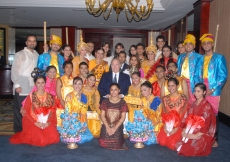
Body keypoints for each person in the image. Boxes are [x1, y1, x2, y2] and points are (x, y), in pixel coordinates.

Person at [10, 75, 59, 146]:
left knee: (53, 137)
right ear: (35, 84)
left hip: (46, 122)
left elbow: (53, 112)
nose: (40, 85)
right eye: (38, 83)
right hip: (33, 122)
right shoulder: (31, 97)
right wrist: (36, 123)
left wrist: (48, 123)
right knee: (40, 139)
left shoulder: (50, 96)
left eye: (42, 82)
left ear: (45, 83)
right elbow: (26, 113)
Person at [199, 33, 228, 147]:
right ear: (202, 45)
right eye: (204, 43)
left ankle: (214, 138)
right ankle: (203, 136)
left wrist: (213, 88)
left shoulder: (219, 58)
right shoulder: (200, 58)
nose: (206, 45)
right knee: (202, 113)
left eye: (208, 43)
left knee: (213, 114)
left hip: (213, 89)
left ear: (212, 44)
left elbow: (223, 76)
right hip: (201, 87)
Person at [176, 83, 216, 156]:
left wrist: (195, 135)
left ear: (204, 92)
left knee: (188, 149)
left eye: (199, 91)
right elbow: (188, 117)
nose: (196, 93)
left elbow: (207, 124)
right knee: (180, 142)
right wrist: (185, 129)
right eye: (195, 91)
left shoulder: (207, 106)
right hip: (192, 127)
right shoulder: (194, 104)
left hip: (202, 131)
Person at [11, 34, 39, 133]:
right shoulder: (20, 54)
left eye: (34, 41)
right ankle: (18, 131)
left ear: (36, 43)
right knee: (20, 110)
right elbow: (14, 70)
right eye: (30, 41)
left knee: (31, 109)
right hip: (21, 85)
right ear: (26, 42)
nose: (32, 43)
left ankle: (28, 130)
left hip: (33, 86)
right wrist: (17, 85)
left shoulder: (36, 54)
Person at [157, 78, 188, 150]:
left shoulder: (183, 99)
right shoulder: (165, 99)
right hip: (167, 126)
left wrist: (176, 129)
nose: (170, 88)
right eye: (169, 86)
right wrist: (165, 127)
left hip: (179, 126)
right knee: (162, 142)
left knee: (172, 144)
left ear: (177, 86)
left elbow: (184, 115)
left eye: (173, 86)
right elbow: (163, 113)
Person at [99, 83, 128, 150]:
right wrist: (107, 127)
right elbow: (102, 116)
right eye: (111, 90)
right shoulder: (105, 102)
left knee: (117, 143)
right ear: (109, 91)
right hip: (106, 125)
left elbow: (123, 117)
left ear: (119, 90)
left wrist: (115, 128)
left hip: (117, 126)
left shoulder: (123, 102)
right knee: (103, 142)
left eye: (115, 89)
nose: (113, 91)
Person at [64, 77, 93, 144]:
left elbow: (84, 112)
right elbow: (67, 111)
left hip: (81, 120)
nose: (77, 86)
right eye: (75, 84)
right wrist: (71, 123)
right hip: (71, 121)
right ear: (73, 85)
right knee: (72, 136)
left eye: (79, 84)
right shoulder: (69, 96)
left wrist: (84, 124)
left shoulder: (84, 97)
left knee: (85, 137)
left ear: (82, 85)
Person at [177, 34, 202, 104]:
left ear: (194, 46)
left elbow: (200, 73)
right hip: (181, 83)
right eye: (186, 44)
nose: (188, 46)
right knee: (181, 103)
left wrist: (198, 87)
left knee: (192, 102)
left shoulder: (199, 57)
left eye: (190, 44)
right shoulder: (180, 57)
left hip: (192, 83)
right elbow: (178, 71)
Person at [56, 61, 74, 126]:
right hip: (62, 107)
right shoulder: (60, 80)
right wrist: (67, 109)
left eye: (70, 67)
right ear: (63, 69)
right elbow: (59, 97)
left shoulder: (74, 80)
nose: (69, 69)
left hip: (73, 107)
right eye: (67, 67)